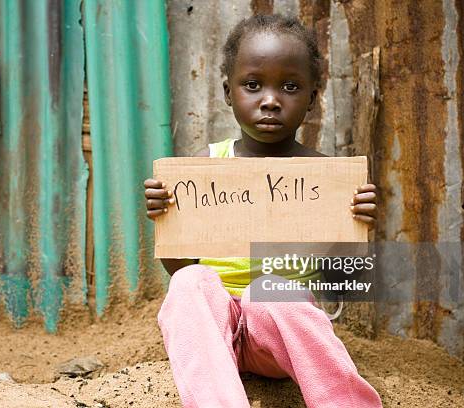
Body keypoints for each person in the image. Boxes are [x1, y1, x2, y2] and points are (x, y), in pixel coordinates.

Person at [144, 14, 382, 408]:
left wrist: (355, 227)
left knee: (269, 291)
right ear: (228, 92)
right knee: (189, 284)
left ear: (312, 97)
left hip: (276, 343)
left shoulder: (325, 178)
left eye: (290, 87)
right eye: (252, 85)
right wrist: (167, 221)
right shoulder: (207, 165)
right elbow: (180, 268)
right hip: (212, 338)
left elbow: (338, 281)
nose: (270, 100)